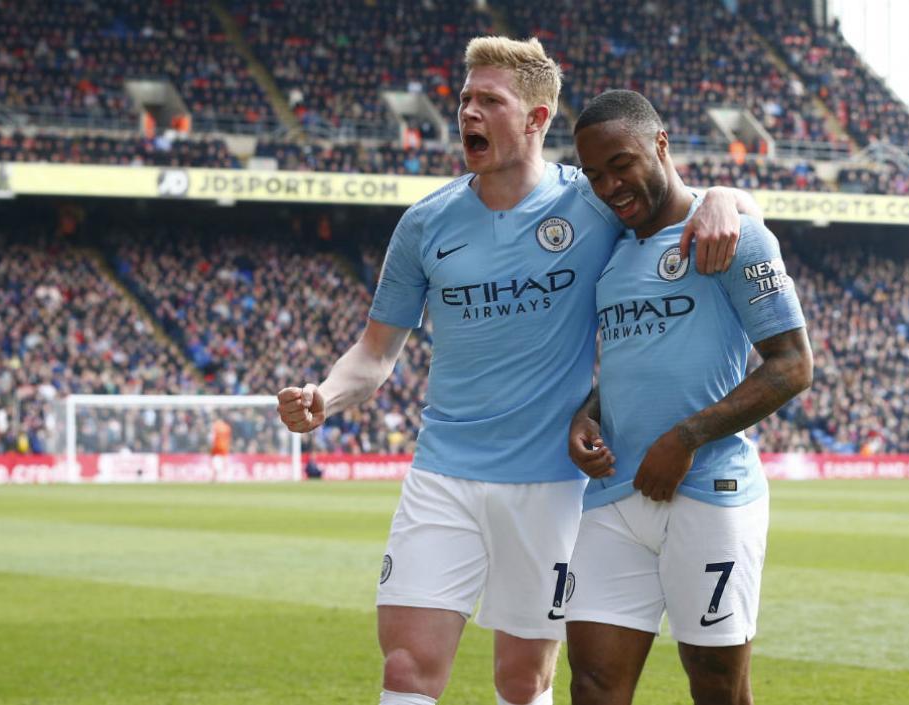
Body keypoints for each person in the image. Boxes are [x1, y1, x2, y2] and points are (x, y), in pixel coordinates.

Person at [277, 38, 762, 705]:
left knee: (523, 679)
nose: (468, 112)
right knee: (407, 668)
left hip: (553, 486)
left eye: (489, 100)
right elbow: (375, 353)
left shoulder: (592, 208)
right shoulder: (425, 224)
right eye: (465, 98)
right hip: (443, 471)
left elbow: (681, 204)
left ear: (535, 119)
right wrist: (324, 396)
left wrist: (727, 196)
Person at [564, 90, 813, 705]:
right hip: (616, 495)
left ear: (661, 145)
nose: (609, 185)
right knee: (593, 685)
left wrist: (684, 439)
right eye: (595, 174)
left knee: (716, 687)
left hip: (709, 492)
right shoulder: (611, 255)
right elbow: (630, 364)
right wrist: (584, 416)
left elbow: (792, 366)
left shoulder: (730, 235)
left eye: (621, 163)